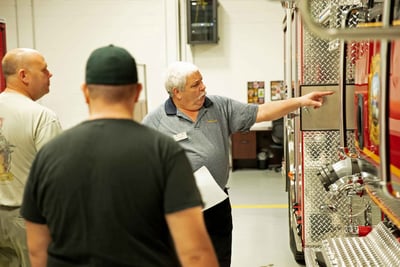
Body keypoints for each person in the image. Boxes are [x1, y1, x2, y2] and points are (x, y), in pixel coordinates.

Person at [20, 45, 219, 267]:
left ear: (86, 92)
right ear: (137, 92)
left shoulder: (49, 154)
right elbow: (195, 253)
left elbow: (37, 250)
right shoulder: (164, 152)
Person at [142, 61, 334, 267]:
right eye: (195, 84)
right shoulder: (155, 121)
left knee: (220, 257)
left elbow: (261, 112)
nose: (203, 87)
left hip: (217, 203)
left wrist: (300, 101)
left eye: (202, 81)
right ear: (177, 92)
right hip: (181, 207)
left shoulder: (218, 106)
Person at [0, 48, 62, 267]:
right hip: (26, 220)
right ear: (23, 75)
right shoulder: (42, 117)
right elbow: (54, 179)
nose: (50, 74)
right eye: (44, 69)